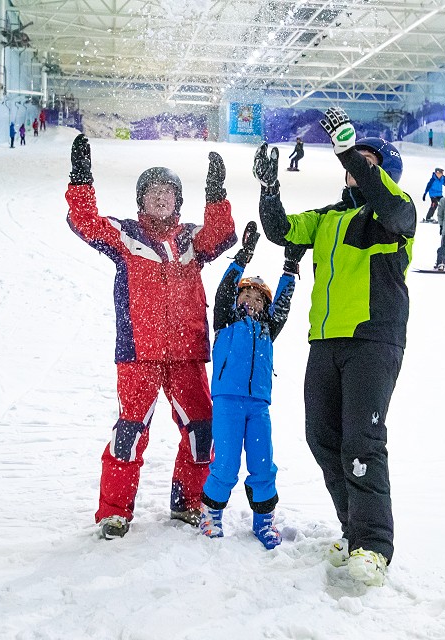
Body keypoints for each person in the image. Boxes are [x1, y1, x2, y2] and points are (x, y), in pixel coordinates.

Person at [253, 106, 416, 587]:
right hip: (324, 343)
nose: (356, 165)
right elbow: (282, 231)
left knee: (362, 443)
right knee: (323, 438)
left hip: (372, 340)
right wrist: (269, 190)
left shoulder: (393, 215)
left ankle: (372, 546)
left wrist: (349, 146)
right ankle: (353, 529)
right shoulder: (327, 219)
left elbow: (389, 205)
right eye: (351, 160)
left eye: (368, 160)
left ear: (383, 173)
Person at [65, 134, 237, 540]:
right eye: (153, 192)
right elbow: (85, 221)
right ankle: (115, 512)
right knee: (129, 431)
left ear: (178, 201)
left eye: (169, 192)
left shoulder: (191, 240)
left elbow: (221, 234)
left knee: (201, 431)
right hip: (138, 351)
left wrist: (216, 194)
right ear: (141, 200)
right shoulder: (126, 235)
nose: (161, 198)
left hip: (187, 353)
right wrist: (81, 178)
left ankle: (187, 502)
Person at [198, 222, 301, 550]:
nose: (252, 300)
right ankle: (211, 513)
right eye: (247, 293)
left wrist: (290, 268)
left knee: (262, 462)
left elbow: (283, 303)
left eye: (259, 297)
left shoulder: (269, 328)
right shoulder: (226, 320)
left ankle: (264, 520)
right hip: (227, 402)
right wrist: (242, 257)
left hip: (258, 405)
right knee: (225, 463)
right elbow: (224, 290)